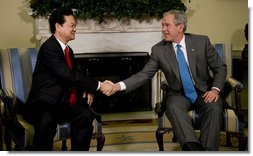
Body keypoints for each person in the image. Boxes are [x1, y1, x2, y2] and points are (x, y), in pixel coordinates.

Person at [103, 10, 227, 151]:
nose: (163, 29)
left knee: (214, 107)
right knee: (173, 106)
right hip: (178, 94)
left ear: (180, 27)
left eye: (167, 25)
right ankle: (192, 149)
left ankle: (209, 151)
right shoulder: (158, 50)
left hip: (204, 91)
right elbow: (143, 74)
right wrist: (116, 86)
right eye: (162, 25)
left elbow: (220, 68)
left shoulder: (201, 42)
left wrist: (215, 89)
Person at [23, 9, 112, 151]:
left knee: (85, 115)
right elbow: (68, 76)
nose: (75, 29)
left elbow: (74, 75)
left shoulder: (68, 50)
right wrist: (99, 85)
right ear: (58, 26)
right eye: (72, 25)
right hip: (43, 103)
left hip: (60, 103)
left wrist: (87, 89)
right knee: (47, 120)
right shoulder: (49, 48)